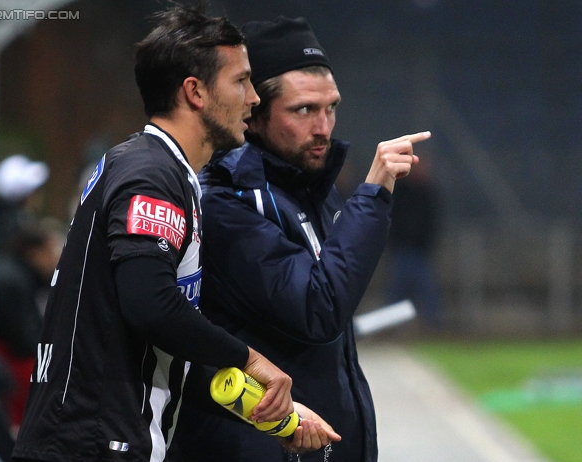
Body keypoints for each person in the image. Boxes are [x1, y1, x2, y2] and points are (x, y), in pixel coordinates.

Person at [11, 6, 337, 462]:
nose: (253, 98)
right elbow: (150, 303)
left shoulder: (159, 169)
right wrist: (250, 359)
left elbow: (158, 347)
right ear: (195, 92)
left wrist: (271, 415)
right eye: (240, 81)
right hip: (93, 446)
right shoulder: (151, 175)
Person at [169, 16, 431, 462]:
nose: (324, 127)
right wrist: (374, 192)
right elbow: (319, 309)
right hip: (255, 447)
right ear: (254, 115)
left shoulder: (315, 191)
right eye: (304, 110)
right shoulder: (226, 203)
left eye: (331, 107)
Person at [0, 218, 64, 429]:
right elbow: (24, 341)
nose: (57, 259)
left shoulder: (22, 277)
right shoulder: (13, 280)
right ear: (36, 253)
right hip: (12, 363)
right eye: (53, 252)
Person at [386, 157, 444, 329]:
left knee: (428, 292)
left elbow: (432, 221)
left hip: (420, 251)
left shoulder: (428, 193)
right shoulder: (401, 192)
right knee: (396, 292)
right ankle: (392, 326)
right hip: (402, 249)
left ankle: (432, 326)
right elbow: (393, 218)